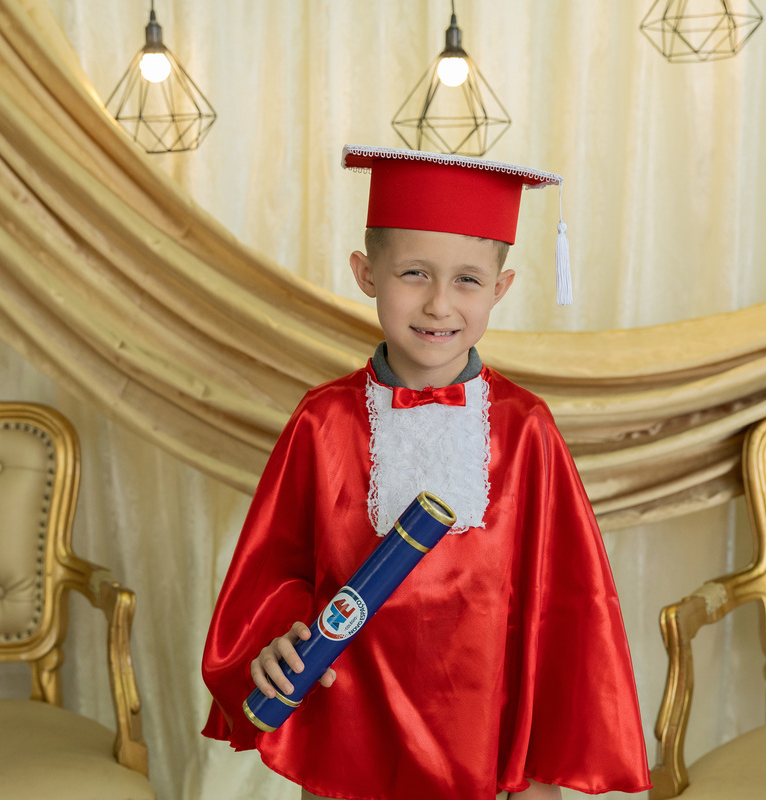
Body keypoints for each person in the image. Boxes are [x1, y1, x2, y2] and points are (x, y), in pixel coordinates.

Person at [201, 146, 651, 800]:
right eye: (414, 273)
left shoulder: (526, 429)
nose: (439, 304)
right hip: (348, 738)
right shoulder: (322, 421)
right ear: (366, 274)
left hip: (488, 744)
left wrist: (534, 767)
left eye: (467, 280)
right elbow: (273, 572)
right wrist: (274, 642)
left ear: (500, 289)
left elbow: (566, 603)